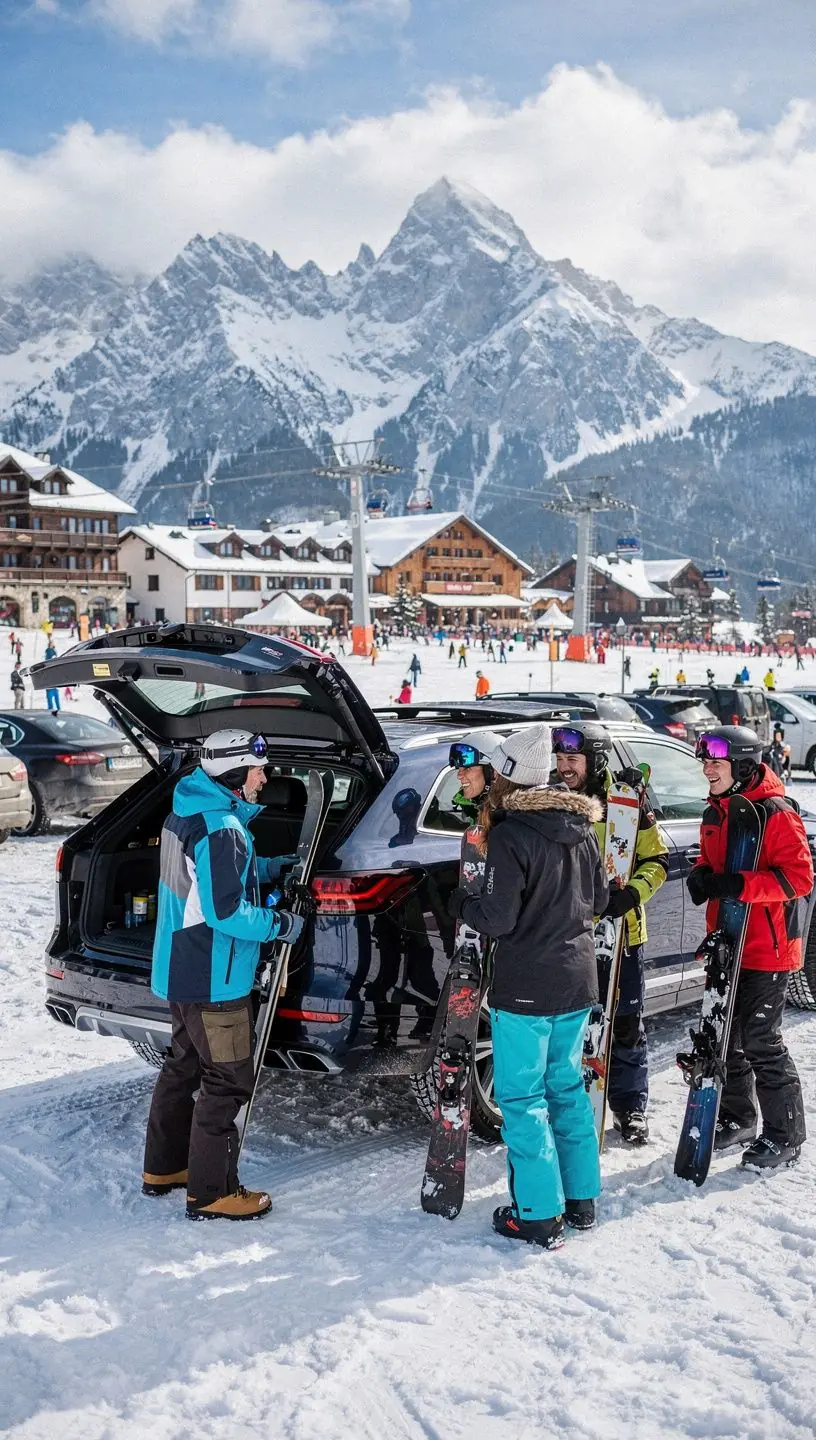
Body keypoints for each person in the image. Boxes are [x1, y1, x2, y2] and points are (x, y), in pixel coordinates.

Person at [451, 725, 608, 1249]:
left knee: (522, 1097)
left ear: (510, 777)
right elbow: (600, 899)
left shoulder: (511, 835)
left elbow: (496, 918)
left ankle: (539, 1214)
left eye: (496, 771)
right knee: (566, 1089)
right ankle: (581, 1199)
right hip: (576, 978)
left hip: (527, 987)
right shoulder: (582, 825)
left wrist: (463, 902)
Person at [143, 729, 304, 1220]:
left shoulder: (185, 813)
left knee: (184, 1066)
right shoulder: (222, 829)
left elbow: (196, 886)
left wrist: (268, 865)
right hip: (217, 978)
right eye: (257, 768)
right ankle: (213, 1192)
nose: (264, 776)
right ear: (234, 772)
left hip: (180, 967)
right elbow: (227, 913)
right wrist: (280, 924)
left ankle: (165, 1169)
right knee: (229, 1080)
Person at [687, 727, 811, 1169]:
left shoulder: (776, 813)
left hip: (768, 949)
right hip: (728, 943)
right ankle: (738, 1118)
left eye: (715, 764)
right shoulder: (715, 810)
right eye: (704, 762)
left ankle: (787, 1135)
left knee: (761, 1040)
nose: (707, 770)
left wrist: (739, 885)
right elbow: (713, 860)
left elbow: (800, 879)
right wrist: (702, 875)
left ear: (741, 765)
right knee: (726, 1037)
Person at [553, 722, 668, 1144]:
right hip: (565, 936)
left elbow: (657, 861)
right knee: (567, 1027)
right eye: (560, 759)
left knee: (623, 1024)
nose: (564, 768)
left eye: (572, 760)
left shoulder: (626, 804)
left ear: (595, 759)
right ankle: (571, 1104)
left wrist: (631, 895)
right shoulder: (549, 803)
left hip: (621, 937)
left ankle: (629, 1107)